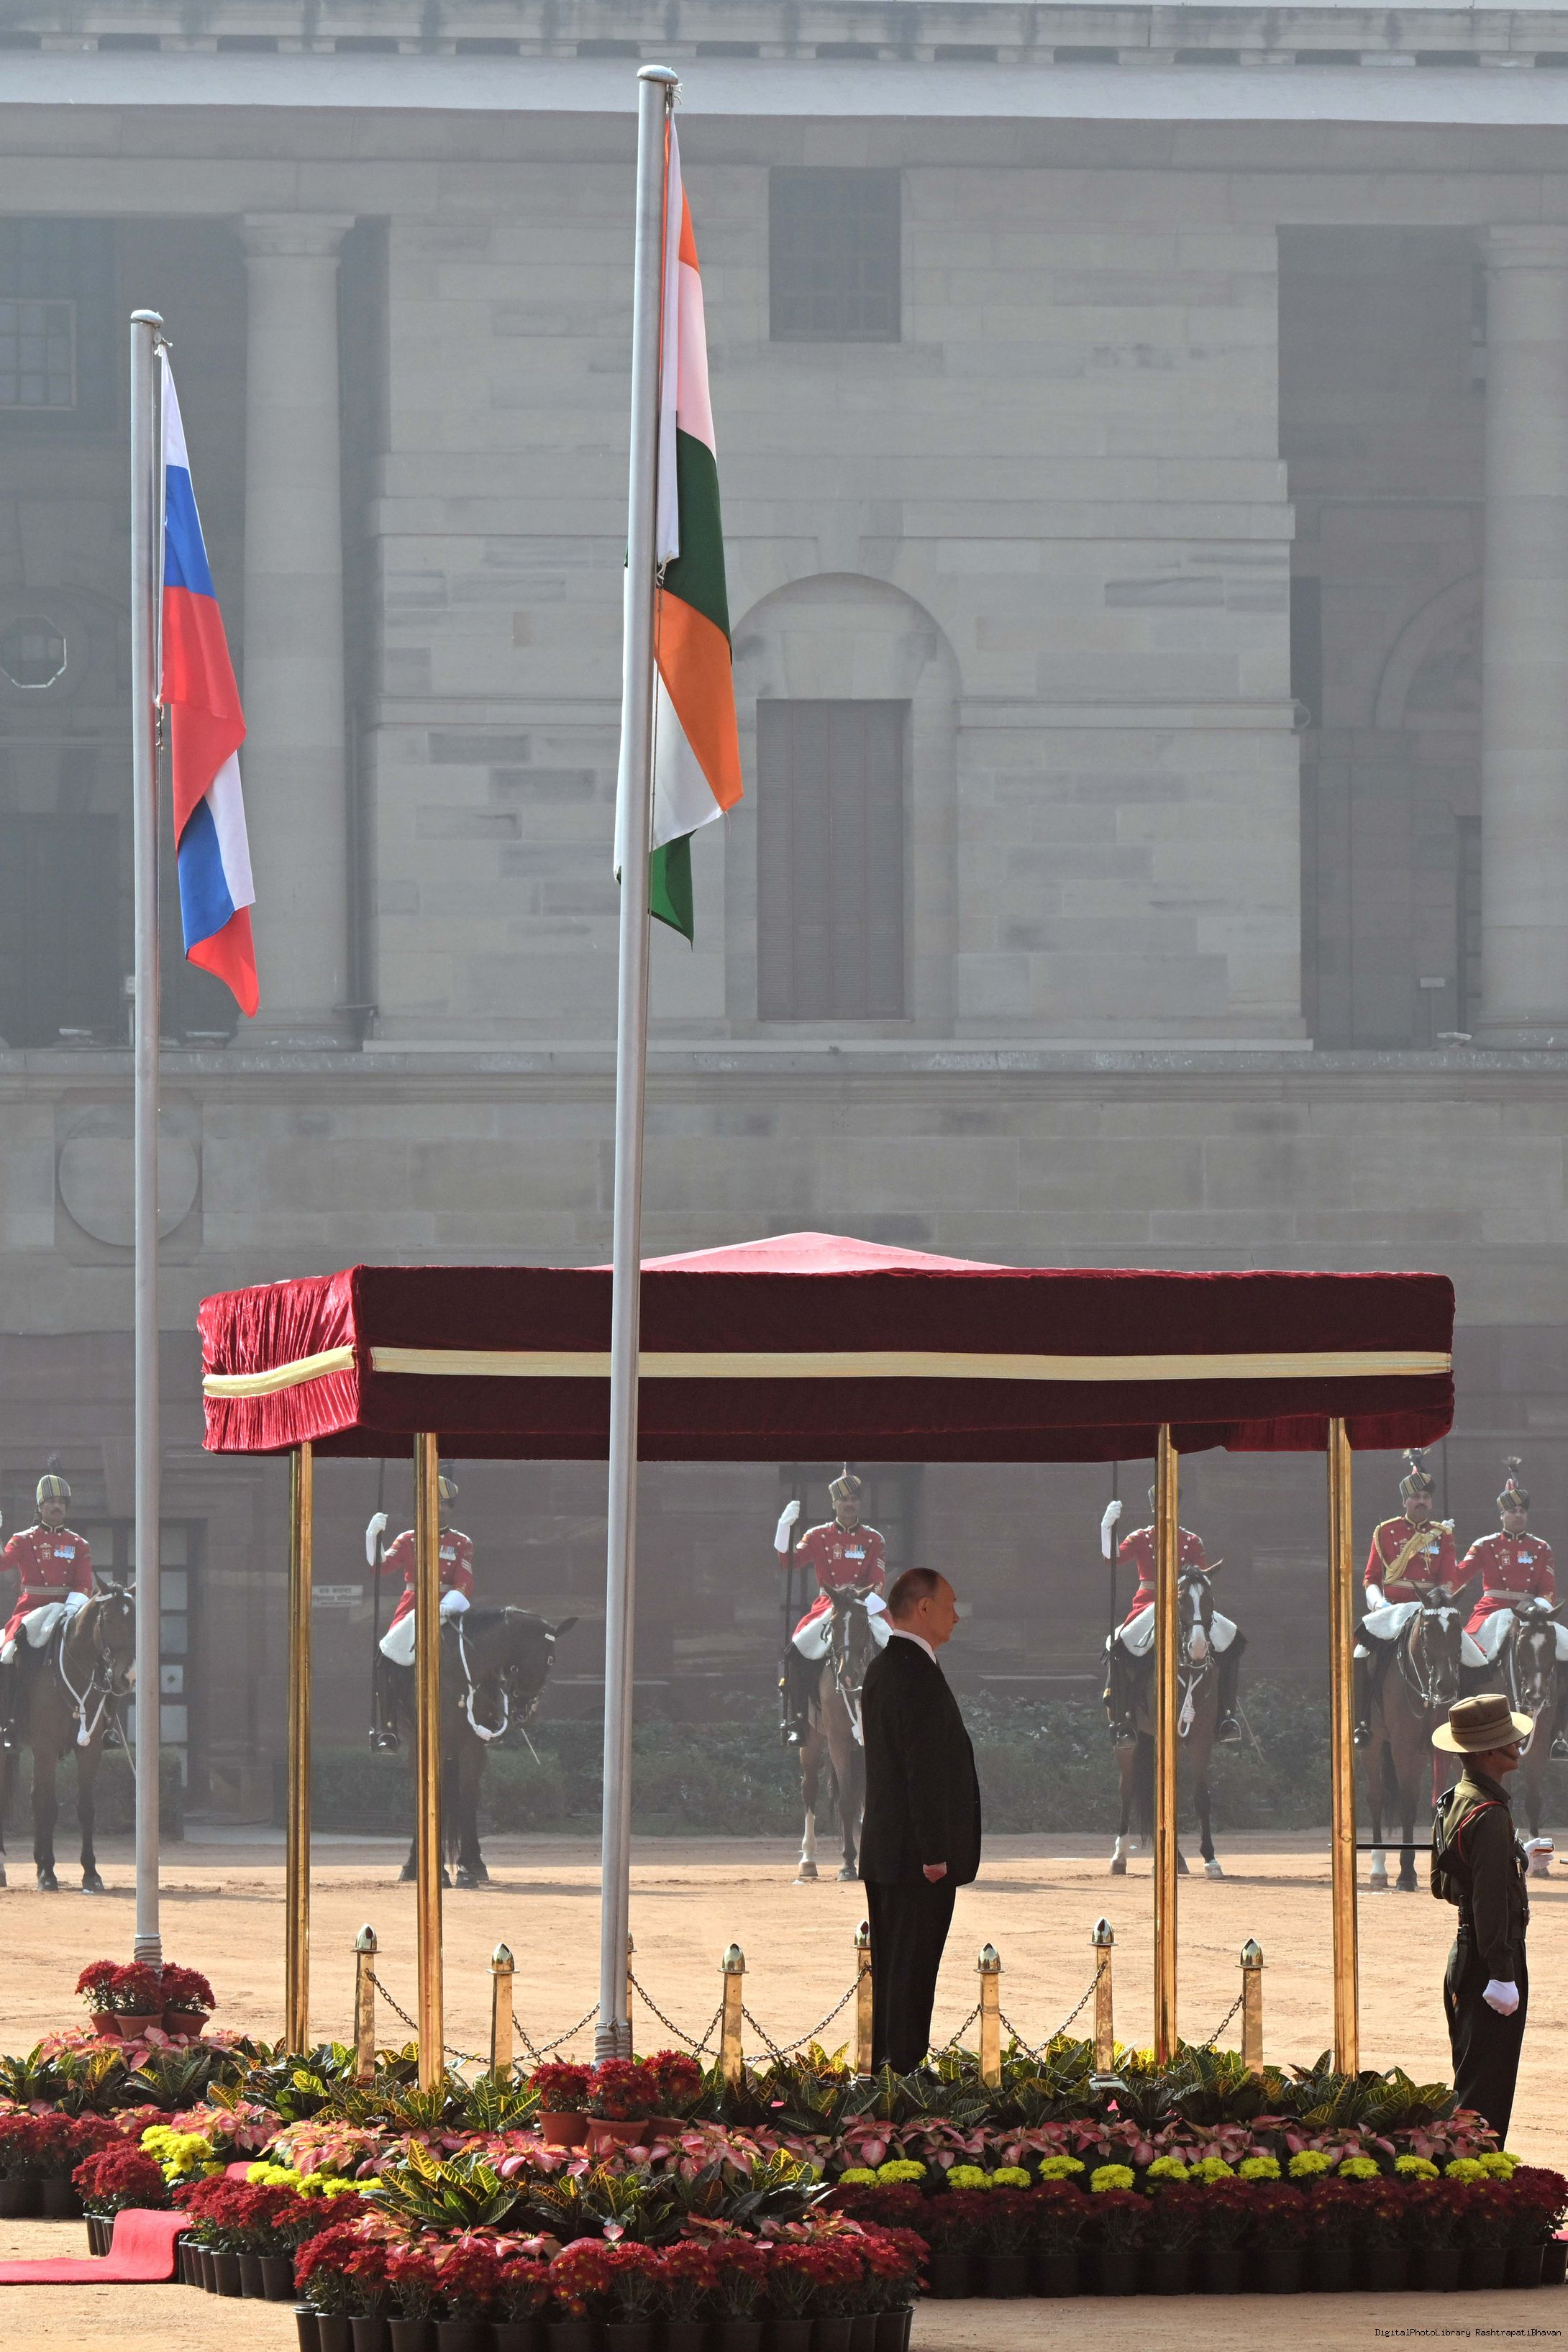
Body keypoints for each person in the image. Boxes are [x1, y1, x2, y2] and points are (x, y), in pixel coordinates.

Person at [858, 1567, 982, 2075]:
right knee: (911, 1969)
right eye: (949, 1605)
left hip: (891, 1851)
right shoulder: (913, 1673)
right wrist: (935, 1852)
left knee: (896, 1968)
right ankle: (903, 2073)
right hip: (916, 1859)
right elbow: (922, 1771)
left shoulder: (887, 1666)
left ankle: (889, 2066)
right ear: (923, 1607)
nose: (956, 1616)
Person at [1431, 1690, 1535, 2142]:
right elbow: (1489, 1901)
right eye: (1509, 1739)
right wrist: (1502, 1972)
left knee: (1473, 2084)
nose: (1517, 1745)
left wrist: (1514, 1859)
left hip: (1466, 1956)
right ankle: (1475, 2179)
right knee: (1486, 2099)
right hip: (1491, 1960)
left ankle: (1469, 2175)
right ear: (1488, 1751)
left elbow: (1445, 1883)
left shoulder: (1456, 1798)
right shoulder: (1490, 1814)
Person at [1102, 1490, 1243, 1747]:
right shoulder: (1141, 1538)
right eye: (1160, 1505)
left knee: (1232, 1638)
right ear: (1153, 1507)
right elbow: (1113, 1559)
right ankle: (1124, 1719)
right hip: (1149, 1604)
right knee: (1119, 1644)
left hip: (1186, 1604)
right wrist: (1107, 1528)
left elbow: (1200, 1578)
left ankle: (1226, 1717)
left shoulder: (1191, 1540)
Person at [1459, 1459, 1566, 1759]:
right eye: (1512, 1511)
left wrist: (1537, 1609)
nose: (1518, 1515)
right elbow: (1459, 1576)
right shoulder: (1485, 1545)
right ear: (1502, 1516)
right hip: (1492, 1612)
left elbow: (1548, 1590)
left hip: (1532, 1614)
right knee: (1467, 1654)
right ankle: (1463, 1716)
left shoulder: (1541, 1548)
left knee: (1565, 1648)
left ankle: (1559, 1732)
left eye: (1522, 1511)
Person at [1354, 1449, 1459, 1746]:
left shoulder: (1442, 1534)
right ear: (1405, 1502)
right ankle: (1363, 1722)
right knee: (1360, 1653)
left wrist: (1438, 1603)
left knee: (1468, 1654)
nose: (1421, 1501)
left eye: (1426, 1496)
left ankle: (1465, 1720)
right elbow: (1371, 1578)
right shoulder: (1385, 1531)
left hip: (1432, 1610)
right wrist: (1379, 1604)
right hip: (1394, 1609)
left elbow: (1448, 1579)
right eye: (1415, 1497)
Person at [775, 1471, 888, 1746]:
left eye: (854, 1499)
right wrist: (783, 1528)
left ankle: (902, 1714)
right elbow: (789, 1562)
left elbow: (878, 1581)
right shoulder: (818, 1536)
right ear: (834, 1504)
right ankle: (798, 1721)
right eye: (844, 1500)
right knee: (796, 1652)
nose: (849, 1504)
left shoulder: (874, 1539)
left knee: (898, 1651)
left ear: (859, 1503)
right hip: (830, 1604)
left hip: (863, 1604)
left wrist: (869, 1602)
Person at [371, 1469, 474, 1751]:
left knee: (476, 1652)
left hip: (448, 1607)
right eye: (433, 1503)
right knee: (386, 1658)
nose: (439, 1509)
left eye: (444, 1504)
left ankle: (484, 1718)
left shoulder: (461, 1543)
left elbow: (465, 1582)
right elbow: (381, 1567)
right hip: (412, 1608)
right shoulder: (408, 1539)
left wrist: (445, 1606)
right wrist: (372, 1536)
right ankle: (388, 1728)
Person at [0, 1474, 96, 1750]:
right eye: (51, 1501)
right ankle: (9, 1720)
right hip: (31, 1611)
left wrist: (71, 1609)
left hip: (68, 1610)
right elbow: (3, 1563)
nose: (57, 1507)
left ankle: (106, 1726)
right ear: (40, 1506)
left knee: (102, 1655)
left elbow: (84, 1584)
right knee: (8, 1656)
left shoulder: (79, 1544)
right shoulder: (22, 1540)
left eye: (61, 1502)